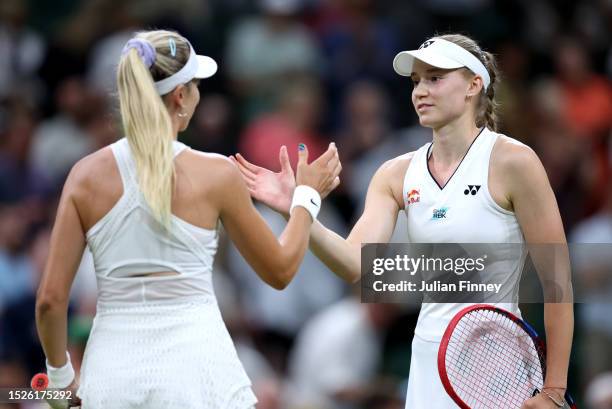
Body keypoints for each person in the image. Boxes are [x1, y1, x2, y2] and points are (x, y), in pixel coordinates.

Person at [232, 34, 574, 408]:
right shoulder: (394, 173)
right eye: (416, 82)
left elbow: (557, 280)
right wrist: (298, 209)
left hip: (496, 364)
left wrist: (554, 390)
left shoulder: (514, 162)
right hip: (427, 364)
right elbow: (354, 264)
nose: (420, 91)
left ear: (474, 85)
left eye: (435, 78)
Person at [35, 29, 341, 409]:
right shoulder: (216, 174)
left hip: (111, 378)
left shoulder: (84, 175)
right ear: (181, 95)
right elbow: (280, 271)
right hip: (199, 375)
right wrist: (305, 198)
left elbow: (50, 301)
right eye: (196, 85)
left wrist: (59, 378)